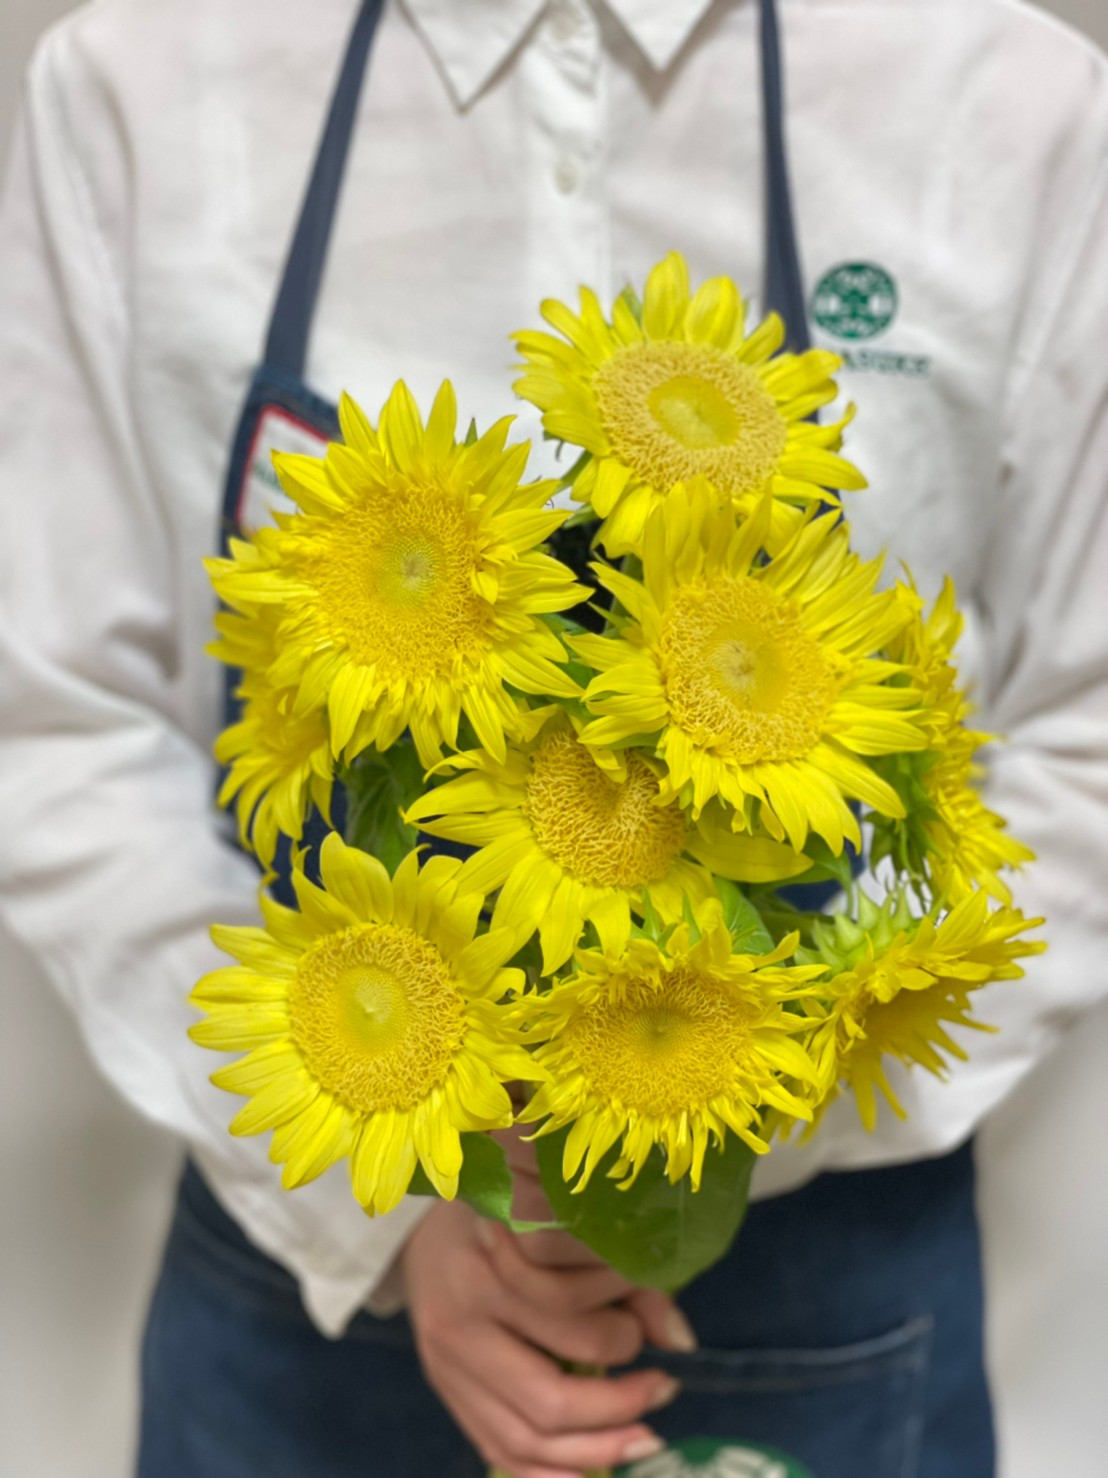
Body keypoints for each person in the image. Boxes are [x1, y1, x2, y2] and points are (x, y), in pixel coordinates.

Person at [1, 1, 1106, 1475]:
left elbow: (1073, 733)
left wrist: (761, 1057)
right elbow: (56, 714)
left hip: (825, 1277)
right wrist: (375, 1208)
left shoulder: (1009, 102)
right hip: (314, 1234)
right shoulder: (142, 83)